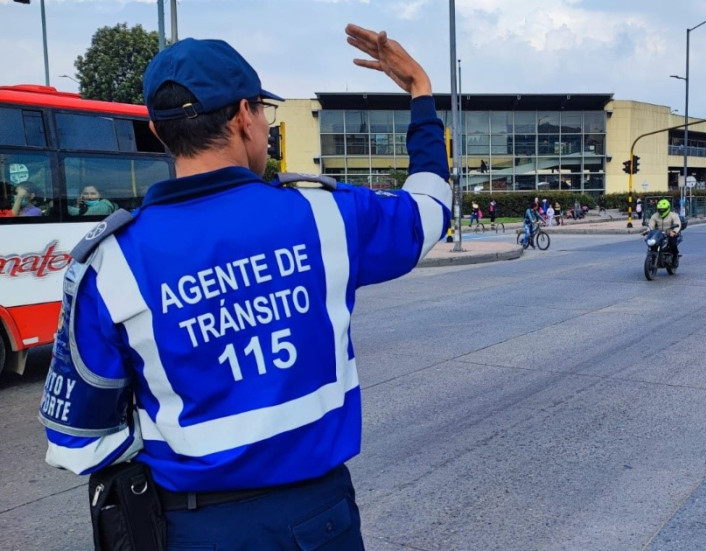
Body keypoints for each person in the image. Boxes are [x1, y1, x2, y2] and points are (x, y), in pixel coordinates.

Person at [38, 26, 451, 549]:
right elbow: (429, 212)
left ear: (164, 134)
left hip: (189, 529)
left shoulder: (110, 261)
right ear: (241, 116)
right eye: (263, 112)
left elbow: (79, 442)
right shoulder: (324, 215)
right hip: (317, 522)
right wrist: (419, 91)